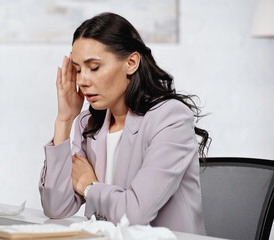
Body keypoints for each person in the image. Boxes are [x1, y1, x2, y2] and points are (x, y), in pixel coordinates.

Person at [38, 12, 210, 235]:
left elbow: (135, 213)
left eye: (94, 67)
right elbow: (56, 207)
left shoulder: (171, 118)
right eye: (78, 69)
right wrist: (64, 119)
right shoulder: (88, 124)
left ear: (131, 63)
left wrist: (89, 187)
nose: (81, 80)